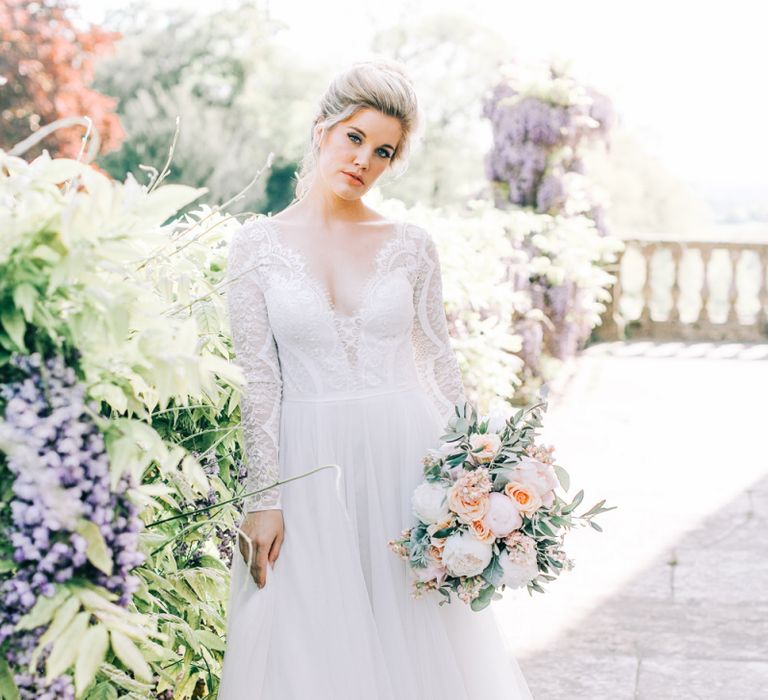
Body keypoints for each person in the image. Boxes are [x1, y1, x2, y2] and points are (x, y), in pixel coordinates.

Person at [218, 58, 532, 700]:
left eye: (383, 151)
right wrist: (263, 499)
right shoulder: (254, 248)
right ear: (321, 130)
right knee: (305, 642)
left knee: (416, 640)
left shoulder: (412, 244)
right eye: (354, 138)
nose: (364, 160)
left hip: (404, 461)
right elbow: (259, 382)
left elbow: (439, 363)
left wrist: (482, 476)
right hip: (309, 466)